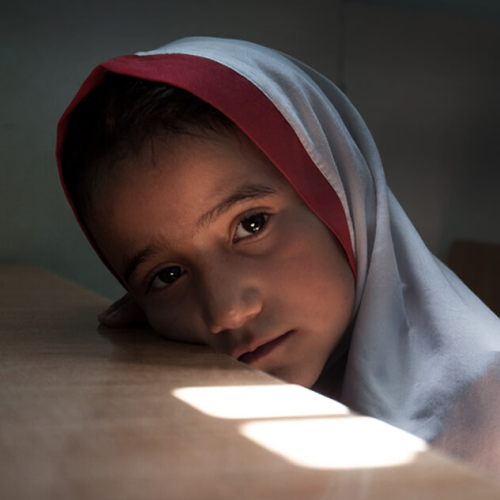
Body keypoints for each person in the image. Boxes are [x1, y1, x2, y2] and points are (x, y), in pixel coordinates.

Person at [57, 36, 500, 476]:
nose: (227, 310)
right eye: (168, 274)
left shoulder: (485, 409)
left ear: (343, 199)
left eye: (251, 225)